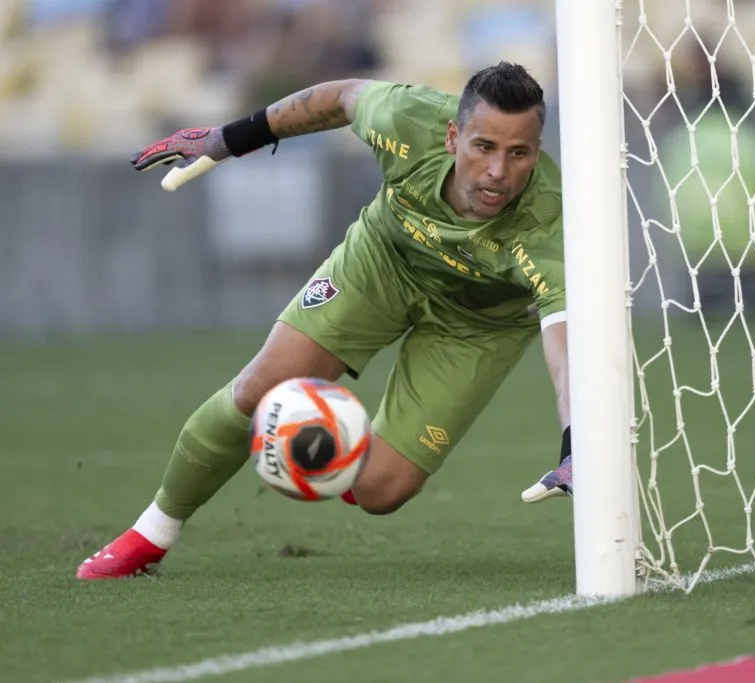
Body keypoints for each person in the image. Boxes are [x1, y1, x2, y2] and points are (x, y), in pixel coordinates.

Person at [76, 62, 575, 580]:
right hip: (383, 262)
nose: (498, 171)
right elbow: (340, 97)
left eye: (519, 153)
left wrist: (575, 442)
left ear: (536, 151)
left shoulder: (552, 221)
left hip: (478, 323)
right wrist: (228, 139)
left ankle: (328, 445)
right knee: (259, 388)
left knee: (381, 491)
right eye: (484, 147)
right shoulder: (408, 119)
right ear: (452, 137)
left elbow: (566, 345)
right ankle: (150, 533)